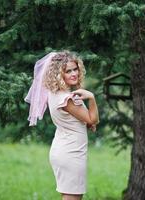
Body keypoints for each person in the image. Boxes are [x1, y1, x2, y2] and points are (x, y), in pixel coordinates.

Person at [24, 51, 99, 200]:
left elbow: (80, 119)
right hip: (71, 152)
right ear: (59, 74)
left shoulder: (56, 93)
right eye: (68, 71)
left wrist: (85, 122)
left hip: (65, 149)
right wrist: (92, 98)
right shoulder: (67, 99)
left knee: (70, 195)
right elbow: (93, 119)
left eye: (75, 69)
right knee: (72, 196)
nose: (73, 74)